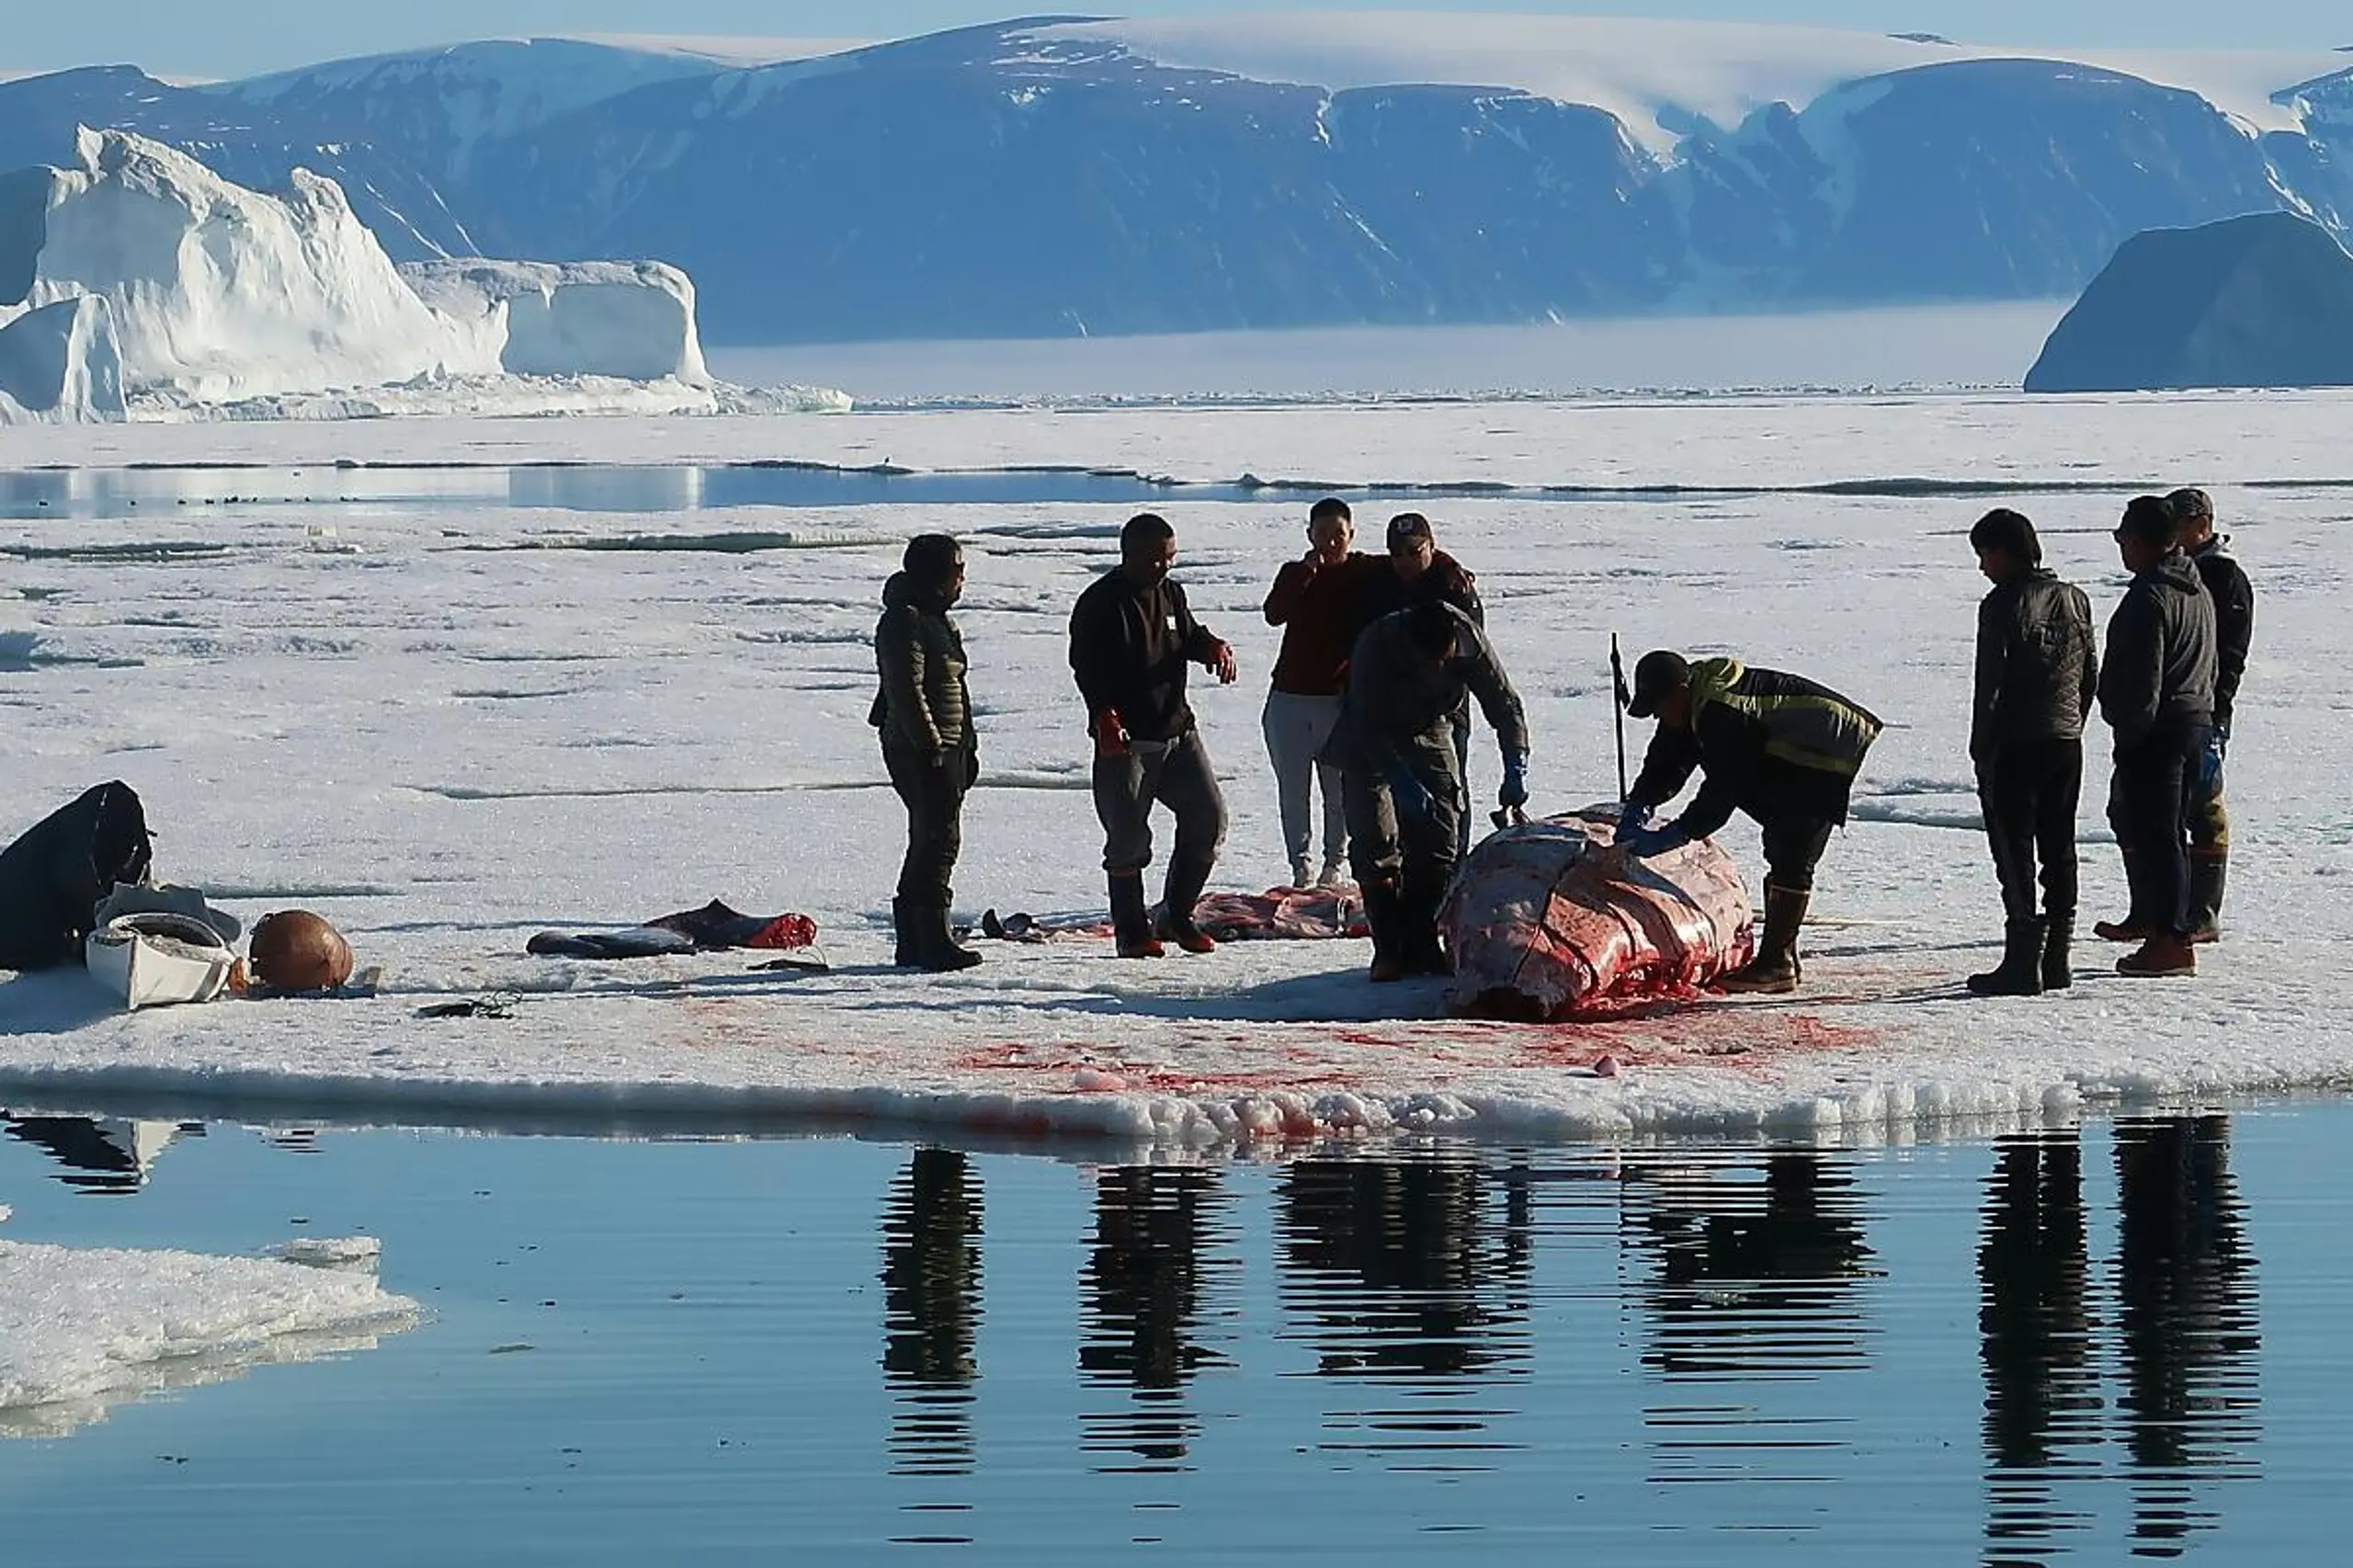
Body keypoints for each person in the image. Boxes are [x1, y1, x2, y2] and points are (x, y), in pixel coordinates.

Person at [1615, 651, 1883, 994]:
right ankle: (1781, 953)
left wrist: (1680, 832)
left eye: (1659, 706)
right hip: (1783, 747)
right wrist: (1639, 803)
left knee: (1793, 843)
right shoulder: (1691, 706)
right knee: (1780, 839)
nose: (1659, 715)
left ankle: (1776, 965)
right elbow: (1667, 759)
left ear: (1680, 690)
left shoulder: (1721, 712)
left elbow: (1725, 786)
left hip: (1825, 745)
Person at [1328, 599, 1529, 982]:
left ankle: (1421, 939)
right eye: (1428, 662)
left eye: (1444, 660)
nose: (1437, 668)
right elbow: (1368, 725)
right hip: (1368, 736)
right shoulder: (1378, 643)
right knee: (1374, 837)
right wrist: (1400, 779)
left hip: (1429, 725)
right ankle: (1388, 947)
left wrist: (1515, 760)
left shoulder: (1468, 640)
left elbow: (1504, 703)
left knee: (1443, 833)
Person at [1069, 513, 1239, 959]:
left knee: (1208, 817)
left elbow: (1187, 635)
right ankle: (1131, 931)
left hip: (1177, 732)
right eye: (1155, 559)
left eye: (1169, 558)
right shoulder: (1100, 603)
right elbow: (1085, 667)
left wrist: (1211, 648)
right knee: (1128, 838)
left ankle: (1176, 916)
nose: (1163, 567)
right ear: (1129, 555)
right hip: (1126, 742)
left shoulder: (1171, 593)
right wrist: (1102, 714)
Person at [1964, 508, 2099, 995]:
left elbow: (1991, 685)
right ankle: (2058, 956)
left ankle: (2024, 959)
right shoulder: (2076, 599)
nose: (1983, 567)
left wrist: (1981, 746)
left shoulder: (2002, 605)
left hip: (2017, 743)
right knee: (2059, 845)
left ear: (2004, 552)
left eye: (1985, 555)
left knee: (2014, 846)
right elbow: (2090, 675)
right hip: (2065, 741)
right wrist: (2072, 725)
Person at [2094, 495, 2217, 977]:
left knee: (2158, 834)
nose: (2121, 549)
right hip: (2193, 722)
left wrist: (2129, 730)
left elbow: (2143, 677)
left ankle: (2171, 939)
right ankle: (2164, 925)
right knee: (2168, 832)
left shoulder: (2150, 597)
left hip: (2160, 730)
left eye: (2123, 539)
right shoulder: (2195, 589)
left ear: (2140, 542)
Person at [871, 534, 982, 971]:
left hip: (945, 745)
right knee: (937, 840)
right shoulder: (906, 621)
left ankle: (918, 941)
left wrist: (965, 746)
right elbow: (906, 690)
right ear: (937, 575)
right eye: (957, 570)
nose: (962, 579)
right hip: (921, 749)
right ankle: (931, 938)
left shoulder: (934, 619)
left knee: (932, 838)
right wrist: (932, 747)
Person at [1262, 498, 1385, 889]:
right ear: (1309, 535)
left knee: (1339, 790)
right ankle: (1301, 867)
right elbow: (1273, 613)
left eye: (1339, 535)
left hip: (1336, 701)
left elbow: (1416, 557)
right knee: (1293, 790)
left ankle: (1335, 864)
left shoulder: (1364, 571)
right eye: (1322, 535)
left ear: (1352, 536)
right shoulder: (1296, 573)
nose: (1331, 544)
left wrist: (1452, 569)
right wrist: (1305, 573)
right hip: (1288, 701)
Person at [1358, 512, 1485, 855]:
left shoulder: (1453, 588)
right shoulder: (1381, 581)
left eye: (1415, 552)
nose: (1405, 562)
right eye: (1397, 554)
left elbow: (1473, 660)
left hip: (1444, 706)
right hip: (1393, 705)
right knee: (1395, 786)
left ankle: (1455, 857)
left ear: (1431, 547)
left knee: (1449, 788)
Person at [2167, 488, 2253, 943]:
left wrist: (2217, 706)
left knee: (2203, 804)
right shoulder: (2181, 573)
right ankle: (2174, 906)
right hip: (2180, 709)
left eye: (2178, 524)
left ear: (2200, 523)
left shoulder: (2222, 578)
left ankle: (2202, 911)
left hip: (2204, 711)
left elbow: (2231, 652)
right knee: (2171, 804)